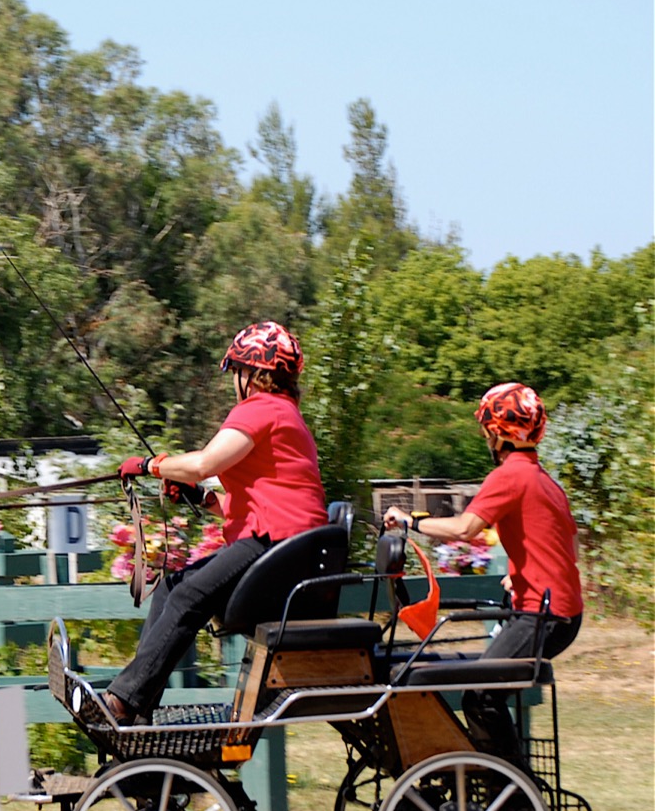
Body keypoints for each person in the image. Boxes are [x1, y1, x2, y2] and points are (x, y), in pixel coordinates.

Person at [100, 321, 329, 722]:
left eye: (237, 371)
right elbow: (251, 503)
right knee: (172, 586)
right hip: (285, 544)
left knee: (188, 596)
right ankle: (136, 709)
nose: (234, 382)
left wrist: (152, 465)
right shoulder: (285, 413)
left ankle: (122, 702)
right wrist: (199, 496)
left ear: (252, 372)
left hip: (277, 545)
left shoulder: (262, 408)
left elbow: (205, 462)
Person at [384, 381, 583, 758]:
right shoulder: (545, 480)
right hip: (559, 612)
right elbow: (568, 547)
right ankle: (509, 794)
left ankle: (517, 805)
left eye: (486, 431)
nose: (485, 439)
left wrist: (409, 521)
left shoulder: (510, 476)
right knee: (484, 693)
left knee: (482, 696)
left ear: (497, 433)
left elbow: (465, 529)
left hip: (542, 615)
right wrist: (521, 570)